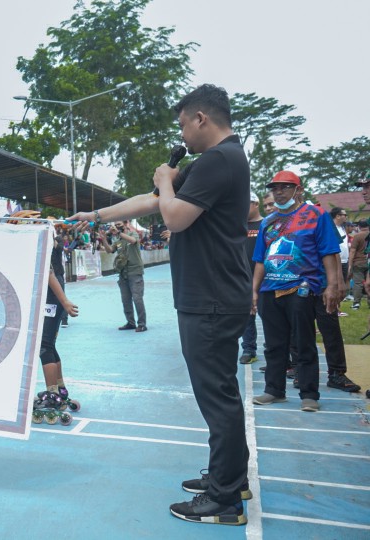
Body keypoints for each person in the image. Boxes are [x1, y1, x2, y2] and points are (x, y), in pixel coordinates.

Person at [69, 84, 252, 525]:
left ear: (201, 118)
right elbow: (151, 203)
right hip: (211, 294)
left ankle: (225, 500)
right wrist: (95, 216)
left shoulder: (218, 160)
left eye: (183, 125)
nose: (182, 135)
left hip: (210, 297)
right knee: (219, 394)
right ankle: (229, 478)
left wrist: (167, 179)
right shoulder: (217, 161)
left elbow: (172, 215)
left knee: (217, 397)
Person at [252, 170, 340, 413]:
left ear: (298, 190)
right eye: (275, 188)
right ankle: (274, 390)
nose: (279, 192)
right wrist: (254, 291)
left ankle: (309, 394)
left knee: (304, 343)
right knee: (273, 344)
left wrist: (332, 285)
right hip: (270, 289)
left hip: (301, 289)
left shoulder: (316, 215)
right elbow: (260, 259)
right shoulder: (267, 222)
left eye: (285, 187)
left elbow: (329, 252)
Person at [9, 211, 80, 422]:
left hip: (52, 296)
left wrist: (64, 301)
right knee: (50, 344)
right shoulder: (47, 237)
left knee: (44, 346)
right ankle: (60, 390)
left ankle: (52, 396)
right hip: (53, 297)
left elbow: (48, 274)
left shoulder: (43, 239)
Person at [98, 219, 147, 332]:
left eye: (119, 225)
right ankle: (130, 322)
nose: (116, 227)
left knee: (137, 298)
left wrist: (118, 232)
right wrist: (104, 239)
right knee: (125, 300)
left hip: (135, 272)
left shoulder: (132, 234)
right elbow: (110, 250)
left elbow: (133, 241)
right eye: (115, 225)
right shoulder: (118, 240)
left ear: (126, 224)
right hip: (123, 273)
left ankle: (142, 324)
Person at [238, 192, 264, 364]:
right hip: (242, 279)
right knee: (247, 316)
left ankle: (276, 351)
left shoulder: (266, 224)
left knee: (269, 317)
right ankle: (249, 349)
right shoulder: (237, 225)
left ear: (256, 204)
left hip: (264, 278)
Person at [348, 219, 368, 309]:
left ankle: (356, 303)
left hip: (358, 262)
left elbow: (352, 251)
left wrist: (350, 264)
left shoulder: (357, 236)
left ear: (359, 227)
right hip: (368, 262)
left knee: (358, 283)